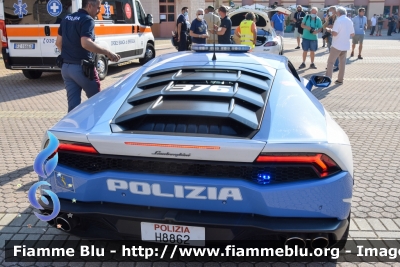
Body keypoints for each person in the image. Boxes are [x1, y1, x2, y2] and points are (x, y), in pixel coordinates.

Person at [55, 0, 120, 112]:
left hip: (66, 68)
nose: (99, 11)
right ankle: (97, 127)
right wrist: (108, 52)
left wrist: (70, 55)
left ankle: (73, 128)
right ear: (90, 6)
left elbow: (58, 43)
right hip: (82, 69)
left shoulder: (66, 18)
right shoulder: (87, 20)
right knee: (98, 102)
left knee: (73, 108)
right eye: (98, 8)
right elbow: (85, 43)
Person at [325, 7, 355, 85]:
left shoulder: (338, 21)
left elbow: (334, 33)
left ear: (338, 13)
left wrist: (329, 30)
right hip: (345, 45)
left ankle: (328, 78)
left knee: (330, 62)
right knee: (342, 63)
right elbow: (352, 34)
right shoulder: (349, 21)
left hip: (337, 45)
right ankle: (340, 79)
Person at [322, 6, 339, 71]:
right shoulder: (329, 18)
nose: (330, 12)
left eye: (331, 10)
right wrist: (328, 27)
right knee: (331, 52)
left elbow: (339, 27)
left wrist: (332, 26)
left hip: (336, 37)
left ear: (335, 11)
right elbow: (324, 26)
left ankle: (336, 65)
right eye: (329, 11)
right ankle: (331, 65)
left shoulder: (338, 18)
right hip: (329, 37)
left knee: (335, 52)